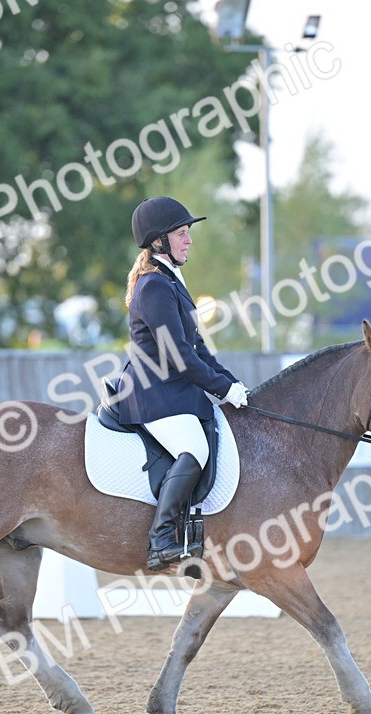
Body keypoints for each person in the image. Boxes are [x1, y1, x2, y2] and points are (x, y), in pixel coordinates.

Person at [115, 196, 250, 571]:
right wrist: (222, 390)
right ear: (159, 241)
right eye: (181, 233)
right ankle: (161, 539)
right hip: (151, 394)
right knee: (194, 449)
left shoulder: (170, 281)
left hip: (174, 391)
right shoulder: (155, 286)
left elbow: (198, 347)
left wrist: (232, 384)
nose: (189, 240)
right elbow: (178, 355)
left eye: (188, 233)